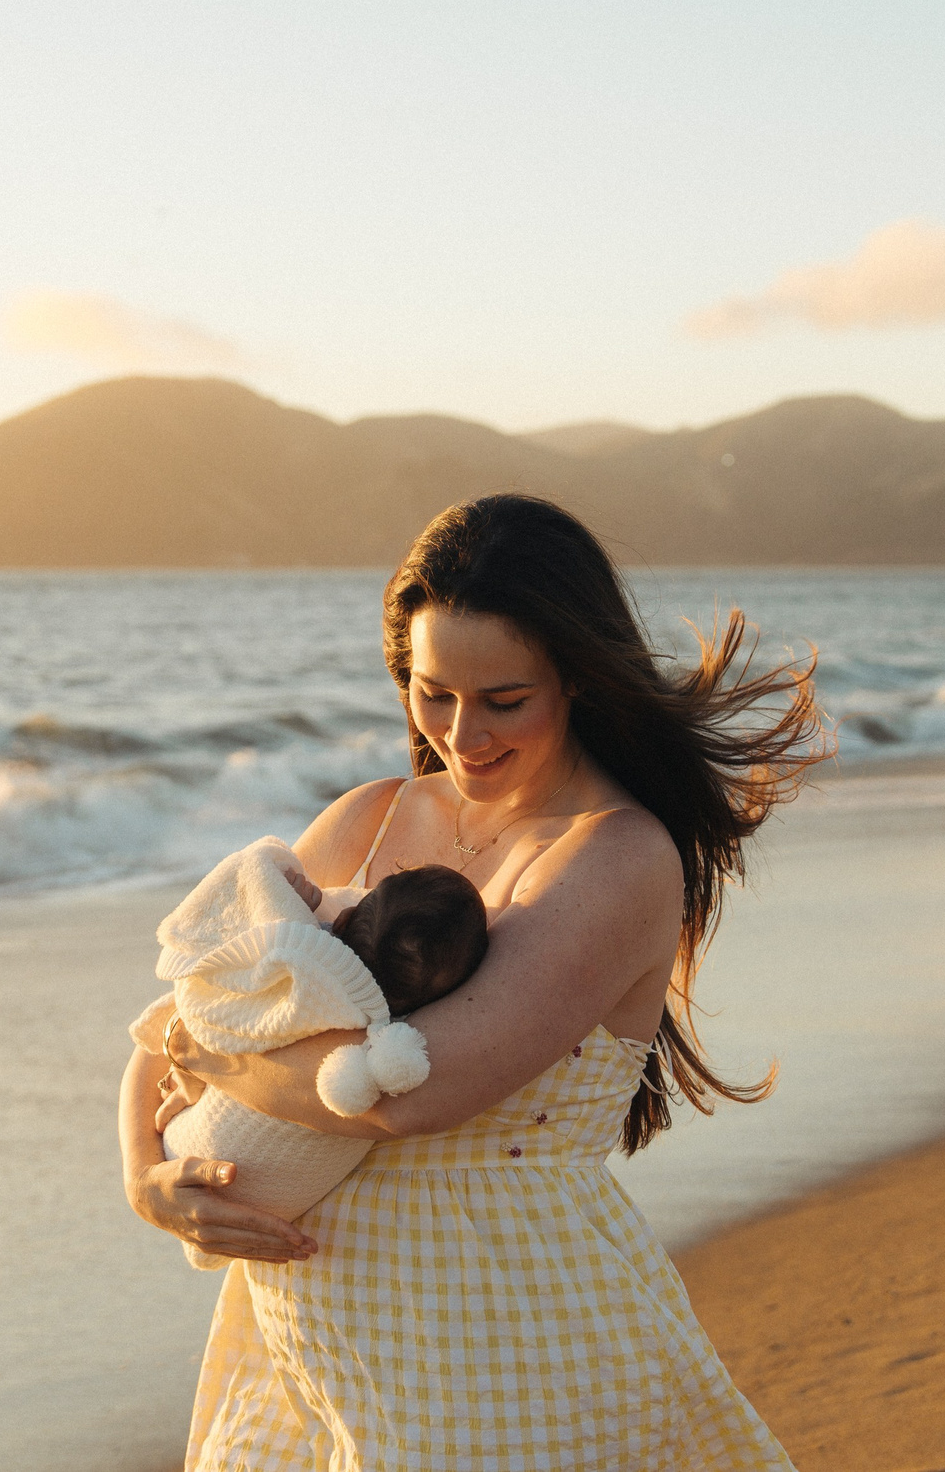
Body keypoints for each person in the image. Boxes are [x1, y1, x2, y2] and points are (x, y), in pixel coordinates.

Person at [119, 492, 828, 1470]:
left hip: (508, 1342)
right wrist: (143, 1177)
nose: (462, 735)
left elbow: (417, 1093)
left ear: (577, 681)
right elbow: (179, 1009)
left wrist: (207, 1051)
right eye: (432, 691)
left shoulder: (615, 858)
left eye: (504, 700)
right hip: (307, 1347)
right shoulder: (363, 821)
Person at [131, 838, 489, 1251]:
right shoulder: (399, 1034)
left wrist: (286, 900)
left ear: (343, 922)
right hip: (276, 1204)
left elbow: (248, 885)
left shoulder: (301, 960)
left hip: (195, 1154)